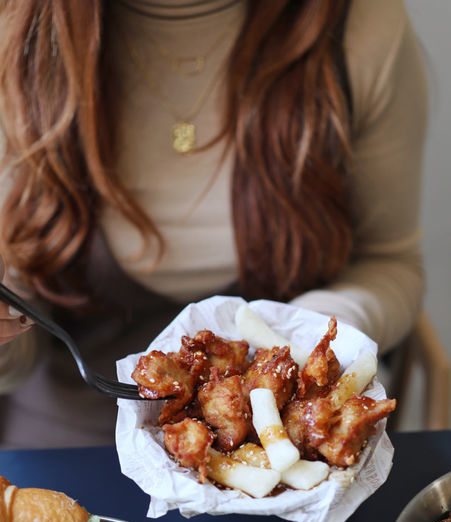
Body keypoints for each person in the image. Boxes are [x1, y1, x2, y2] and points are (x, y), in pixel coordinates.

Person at [0, 0, 428, 448]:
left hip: (293, 438)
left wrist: (311, 335)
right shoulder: (17, 26)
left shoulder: (358, 23)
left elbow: (389, 261)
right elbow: (19, 324)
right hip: (68, 443)